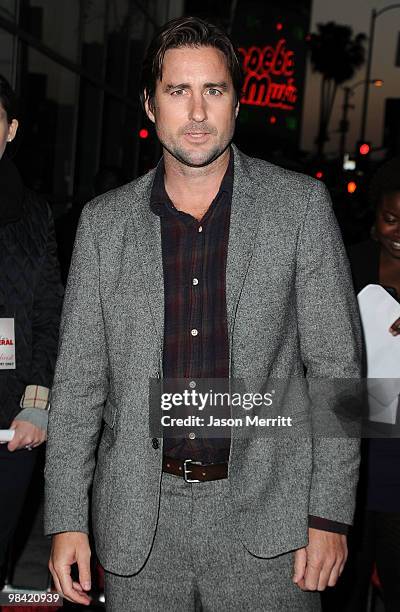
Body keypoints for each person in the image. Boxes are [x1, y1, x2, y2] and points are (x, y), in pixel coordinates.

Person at [44, 17, 362, 612]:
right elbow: (81, 385)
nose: (196, 112)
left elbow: (336, 372)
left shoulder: (299, 207)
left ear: (237, 102)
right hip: (139, 524)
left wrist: (329, 514)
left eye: (213, 91)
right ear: (149, 104)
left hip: (272, 526)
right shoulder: (102, 226)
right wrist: (66, 518)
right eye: (176, 91)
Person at [0, 75, 63, 583]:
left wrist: (36, 405)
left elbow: (48, 315)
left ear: (11, 129)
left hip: (10, 422)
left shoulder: (34, 215)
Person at [342, 158, 400, 612]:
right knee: (343, 577)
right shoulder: (348, 263)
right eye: (390, 218)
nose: (398, 233)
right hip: (352, 437)